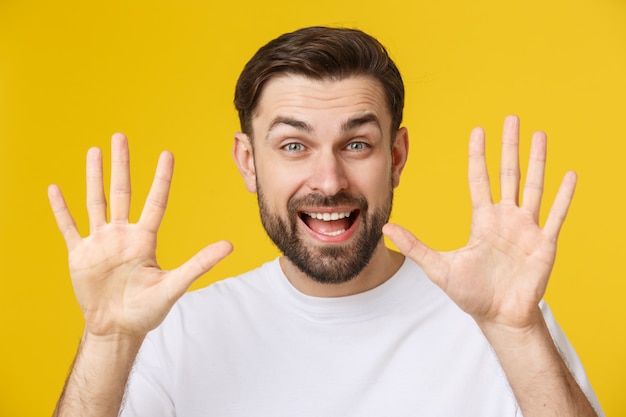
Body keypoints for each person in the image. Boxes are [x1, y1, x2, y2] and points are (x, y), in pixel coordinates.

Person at [49, 26, 604, 416]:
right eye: (293, 145)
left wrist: (519, 335)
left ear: (398, 157)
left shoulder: (501, 325)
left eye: (357, 143)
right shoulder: (176, 334)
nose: (329, 179)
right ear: (248, 162)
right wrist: (107, 340)